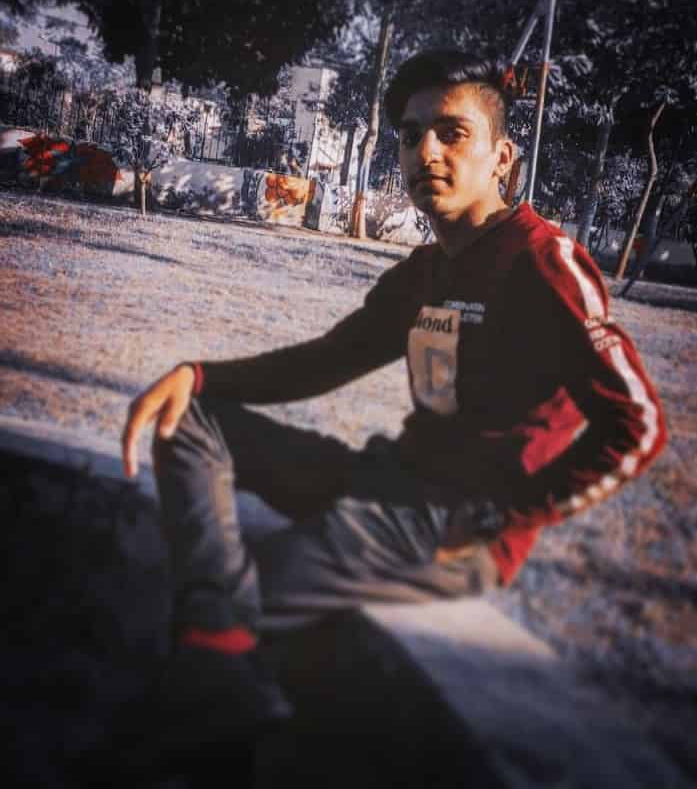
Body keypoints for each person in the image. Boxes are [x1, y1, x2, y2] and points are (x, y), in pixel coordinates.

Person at [121, 49, 666, 754]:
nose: (425, 152)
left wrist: (508, 516)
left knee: (231, 609)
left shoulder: (543, 262)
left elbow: (638, 423)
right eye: (411, 136)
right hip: (384, 479)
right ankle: (221, 655)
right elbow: (326, 360)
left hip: (450, 527)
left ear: (502, 158)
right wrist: (198, 376)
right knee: (189, 420)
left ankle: (210, 683)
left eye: (451, 133)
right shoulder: (425, 271)